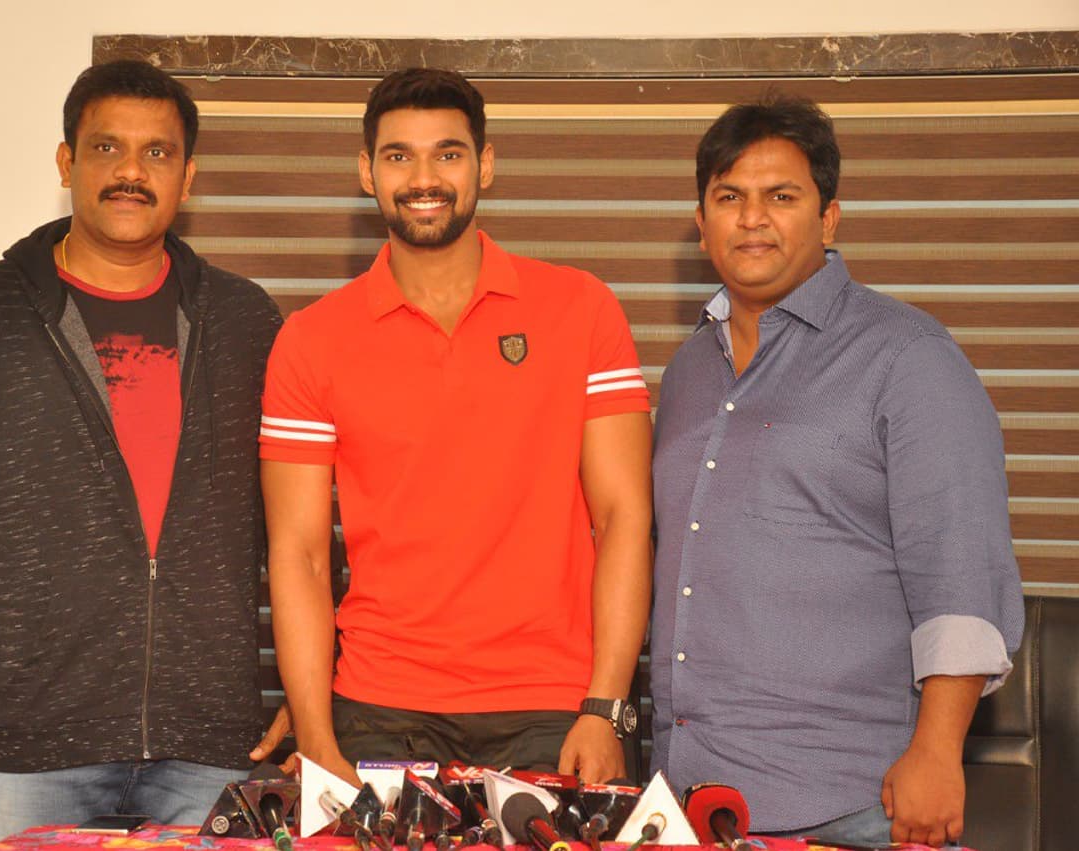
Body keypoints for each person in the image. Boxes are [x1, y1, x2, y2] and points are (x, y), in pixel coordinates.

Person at [0, 60, 283, 849]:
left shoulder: (245, 320)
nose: (131, 171)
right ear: (66, 162)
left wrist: (315, 686)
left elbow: (299, 527)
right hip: (19, 752)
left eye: (157, 152)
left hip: (208, 745)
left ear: (188, 176)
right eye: (106, 148)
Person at [258, 68, 652, 788]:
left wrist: (607, 707)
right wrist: (315, 736)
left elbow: (624, 517)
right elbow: (300, 554)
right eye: (398, 155)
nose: (424, 178)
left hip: (555, 706)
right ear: (367, 172)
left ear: (485, 165)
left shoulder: (582, 308)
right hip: (378, 705)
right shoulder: (310, 340)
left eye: (448, 153)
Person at [650, 93, 1024, 847]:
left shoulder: (907, 358)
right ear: (701, 221)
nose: (753, 218)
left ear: (829, 218)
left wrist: (937, 751)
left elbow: (960, 569)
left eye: (781, 197)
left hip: (855, 801)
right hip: (690, 802)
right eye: (730, 197)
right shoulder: (688, 370)